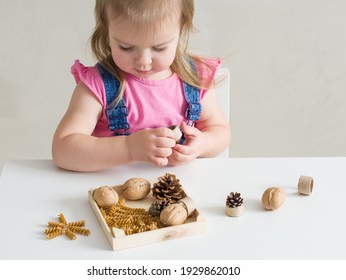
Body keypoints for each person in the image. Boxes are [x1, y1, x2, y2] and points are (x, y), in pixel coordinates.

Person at [52, 0, 230, 172]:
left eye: (159, 48)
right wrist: (128, 148)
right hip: (115, 194)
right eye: (126, 47)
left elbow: (220, 131)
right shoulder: (97, 86)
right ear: (107, 31)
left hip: (178, 195)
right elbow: (63, 150)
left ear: (181, 29)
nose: (144, 61)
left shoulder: (195, 78)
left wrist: (203, 145)